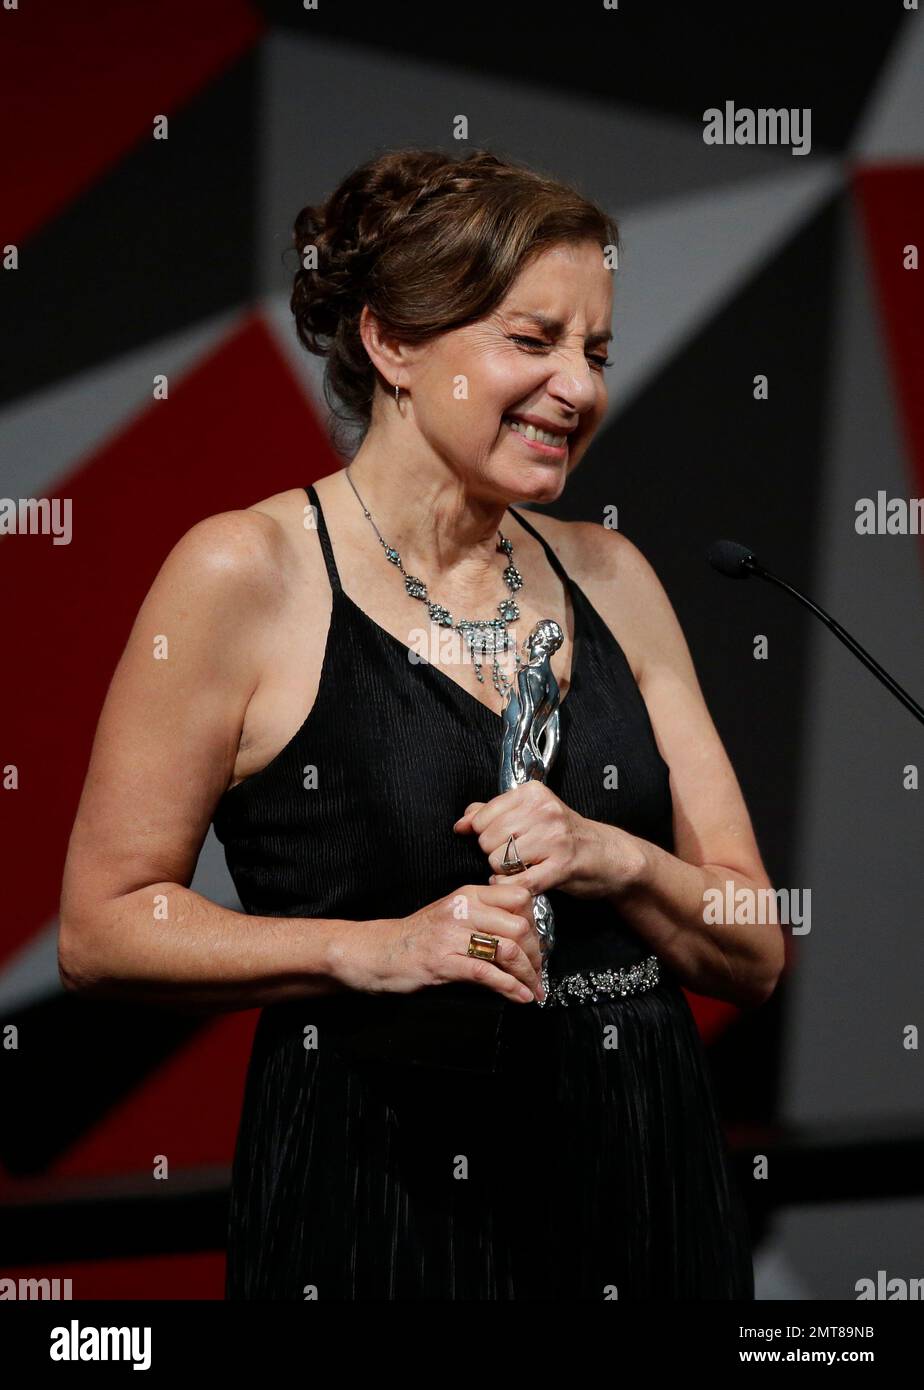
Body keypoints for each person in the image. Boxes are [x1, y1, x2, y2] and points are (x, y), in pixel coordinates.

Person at [59, 147, 784, 1300]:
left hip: (646, 1175)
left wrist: (617, 856)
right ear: (393, 343)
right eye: (532, 340)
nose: (580, 387)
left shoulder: (614, 573)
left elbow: (752, 943)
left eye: (595, 351)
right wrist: (372, 948)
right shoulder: (244, 570)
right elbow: (102, 930)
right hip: (382, 1188)